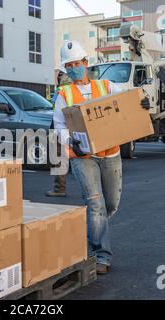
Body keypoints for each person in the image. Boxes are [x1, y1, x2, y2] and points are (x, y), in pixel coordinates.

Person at [55, 40, 150, 275]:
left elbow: (128, 101)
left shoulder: (106, 86)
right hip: (83, 156)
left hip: (111, 154)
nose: (73, 68)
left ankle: (91, 234)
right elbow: (59, 125)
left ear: (86, 63)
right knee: (95, 204)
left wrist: (142, 102)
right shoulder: (64, 94)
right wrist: (70, 142)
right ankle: (101, 255)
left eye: (77, 63)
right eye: (69, 66)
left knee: (110, 205)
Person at [46, 69, 71, 197]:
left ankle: (59, 189)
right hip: (71, 126)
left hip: (58, 128)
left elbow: (53, 106)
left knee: (58, 158)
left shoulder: (60, 91)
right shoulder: (73, 90)